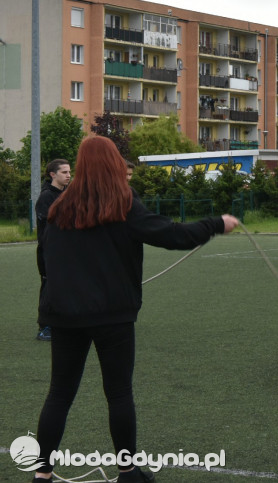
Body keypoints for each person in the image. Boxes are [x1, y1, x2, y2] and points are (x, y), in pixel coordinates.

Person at [31, 136, 239, 483]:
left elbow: (46, 257)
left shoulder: (59, 207)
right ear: (113, 163)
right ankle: (127, 472)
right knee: (118, 393)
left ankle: (42, 475)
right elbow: (172, 235)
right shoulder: (123, 203)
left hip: (65, 315)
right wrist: (216, 224)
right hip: (112, 315)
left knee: (59, 394)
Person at [34, 159, 72, 341]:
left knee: (67, 286)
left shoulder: (68, 194)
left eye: (69, 172)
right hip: (49, 251)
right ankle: (45, 327)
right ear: (52, 174)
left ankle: (63, 322)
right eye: (64, 172)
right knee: (50, 287)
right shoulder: (46, 197)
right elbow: (52, 225)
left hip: (67, 251)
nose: (69, 175)